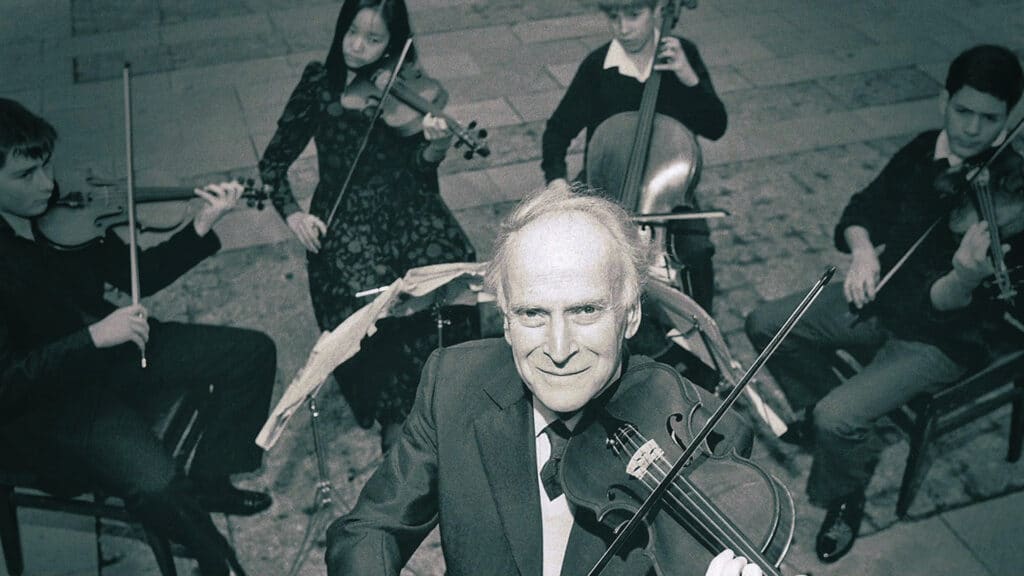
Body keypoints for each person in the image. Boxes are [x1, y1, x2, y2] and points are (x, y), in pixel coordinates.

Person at [324, 185, 780, 576]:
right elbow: (369, 529)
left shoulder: (710, 438)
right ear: (505, 320)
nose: (559, 350)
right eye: (532, 314)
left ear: (632, 313)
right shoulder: (452, 383)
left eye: (586, 310)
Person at [744, 44, 1024, 564]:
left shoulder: (1013, 196)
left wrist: (962, 278)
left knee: (836, 418)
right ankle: (841, 424)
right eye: (962, 111)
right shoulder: (924, 150)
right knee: (766, 324)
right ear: (945, 99)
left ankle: (844, 492)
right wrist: (865, 251)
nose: (971, 129)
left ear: (1009, 118)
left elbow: (963, 310)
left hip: (943, 337)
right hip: (882, 297)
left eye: (990, 119)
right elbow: (862, 208)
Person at [0, 98, 276, 576]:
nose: (47, 185)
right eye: (26, 175)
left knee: (251, 354)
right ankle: (216, 562)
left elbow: (139, 276)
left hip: (109, 346)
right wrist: (91, 338)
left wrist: (200, 226)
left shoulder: (60, 210)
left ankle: (212, 475)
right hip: (55, 401)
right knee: (158, 486)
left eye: (45, 166)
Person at [258, 0, 478, 452]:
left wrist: (435, 147)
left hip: (406, 205)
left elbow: (418, 171)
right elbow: (273, 165)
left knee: (453, 268)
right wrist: (294, 214)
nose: (358, 46)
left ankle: (449, 387)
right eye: (352, 33)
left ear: (393, 46)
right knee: (377, 296)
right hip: (346, 213)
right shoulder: (319, 83)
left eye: (374, 39)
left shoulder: (408, 90)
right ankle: (395, 411)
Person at [541, 0, 727, 312]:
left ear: (659, 10)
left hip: (666, 191)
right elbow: (557, 130)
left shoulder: (683, 56)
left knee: (696, 253)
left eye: (633, 15)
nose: (623, 28)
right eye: (613, 17)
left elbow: (715, 126)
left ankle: (702, 345)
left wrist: (688, 77)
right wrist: (556, 180)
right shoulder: (598, 66)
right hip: (605, 185)